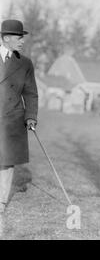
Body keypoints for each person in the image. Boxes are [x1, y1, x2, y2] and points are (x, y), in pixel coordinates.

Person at [0, 20, 38, 213]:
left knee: (6, 161)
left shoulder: (25, 64)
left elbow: (30, 93)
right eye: (18, 37)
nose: (22, 41)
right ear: (6, 38)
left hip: (12, 120)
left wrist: (31, 116)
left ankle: (1, 201)